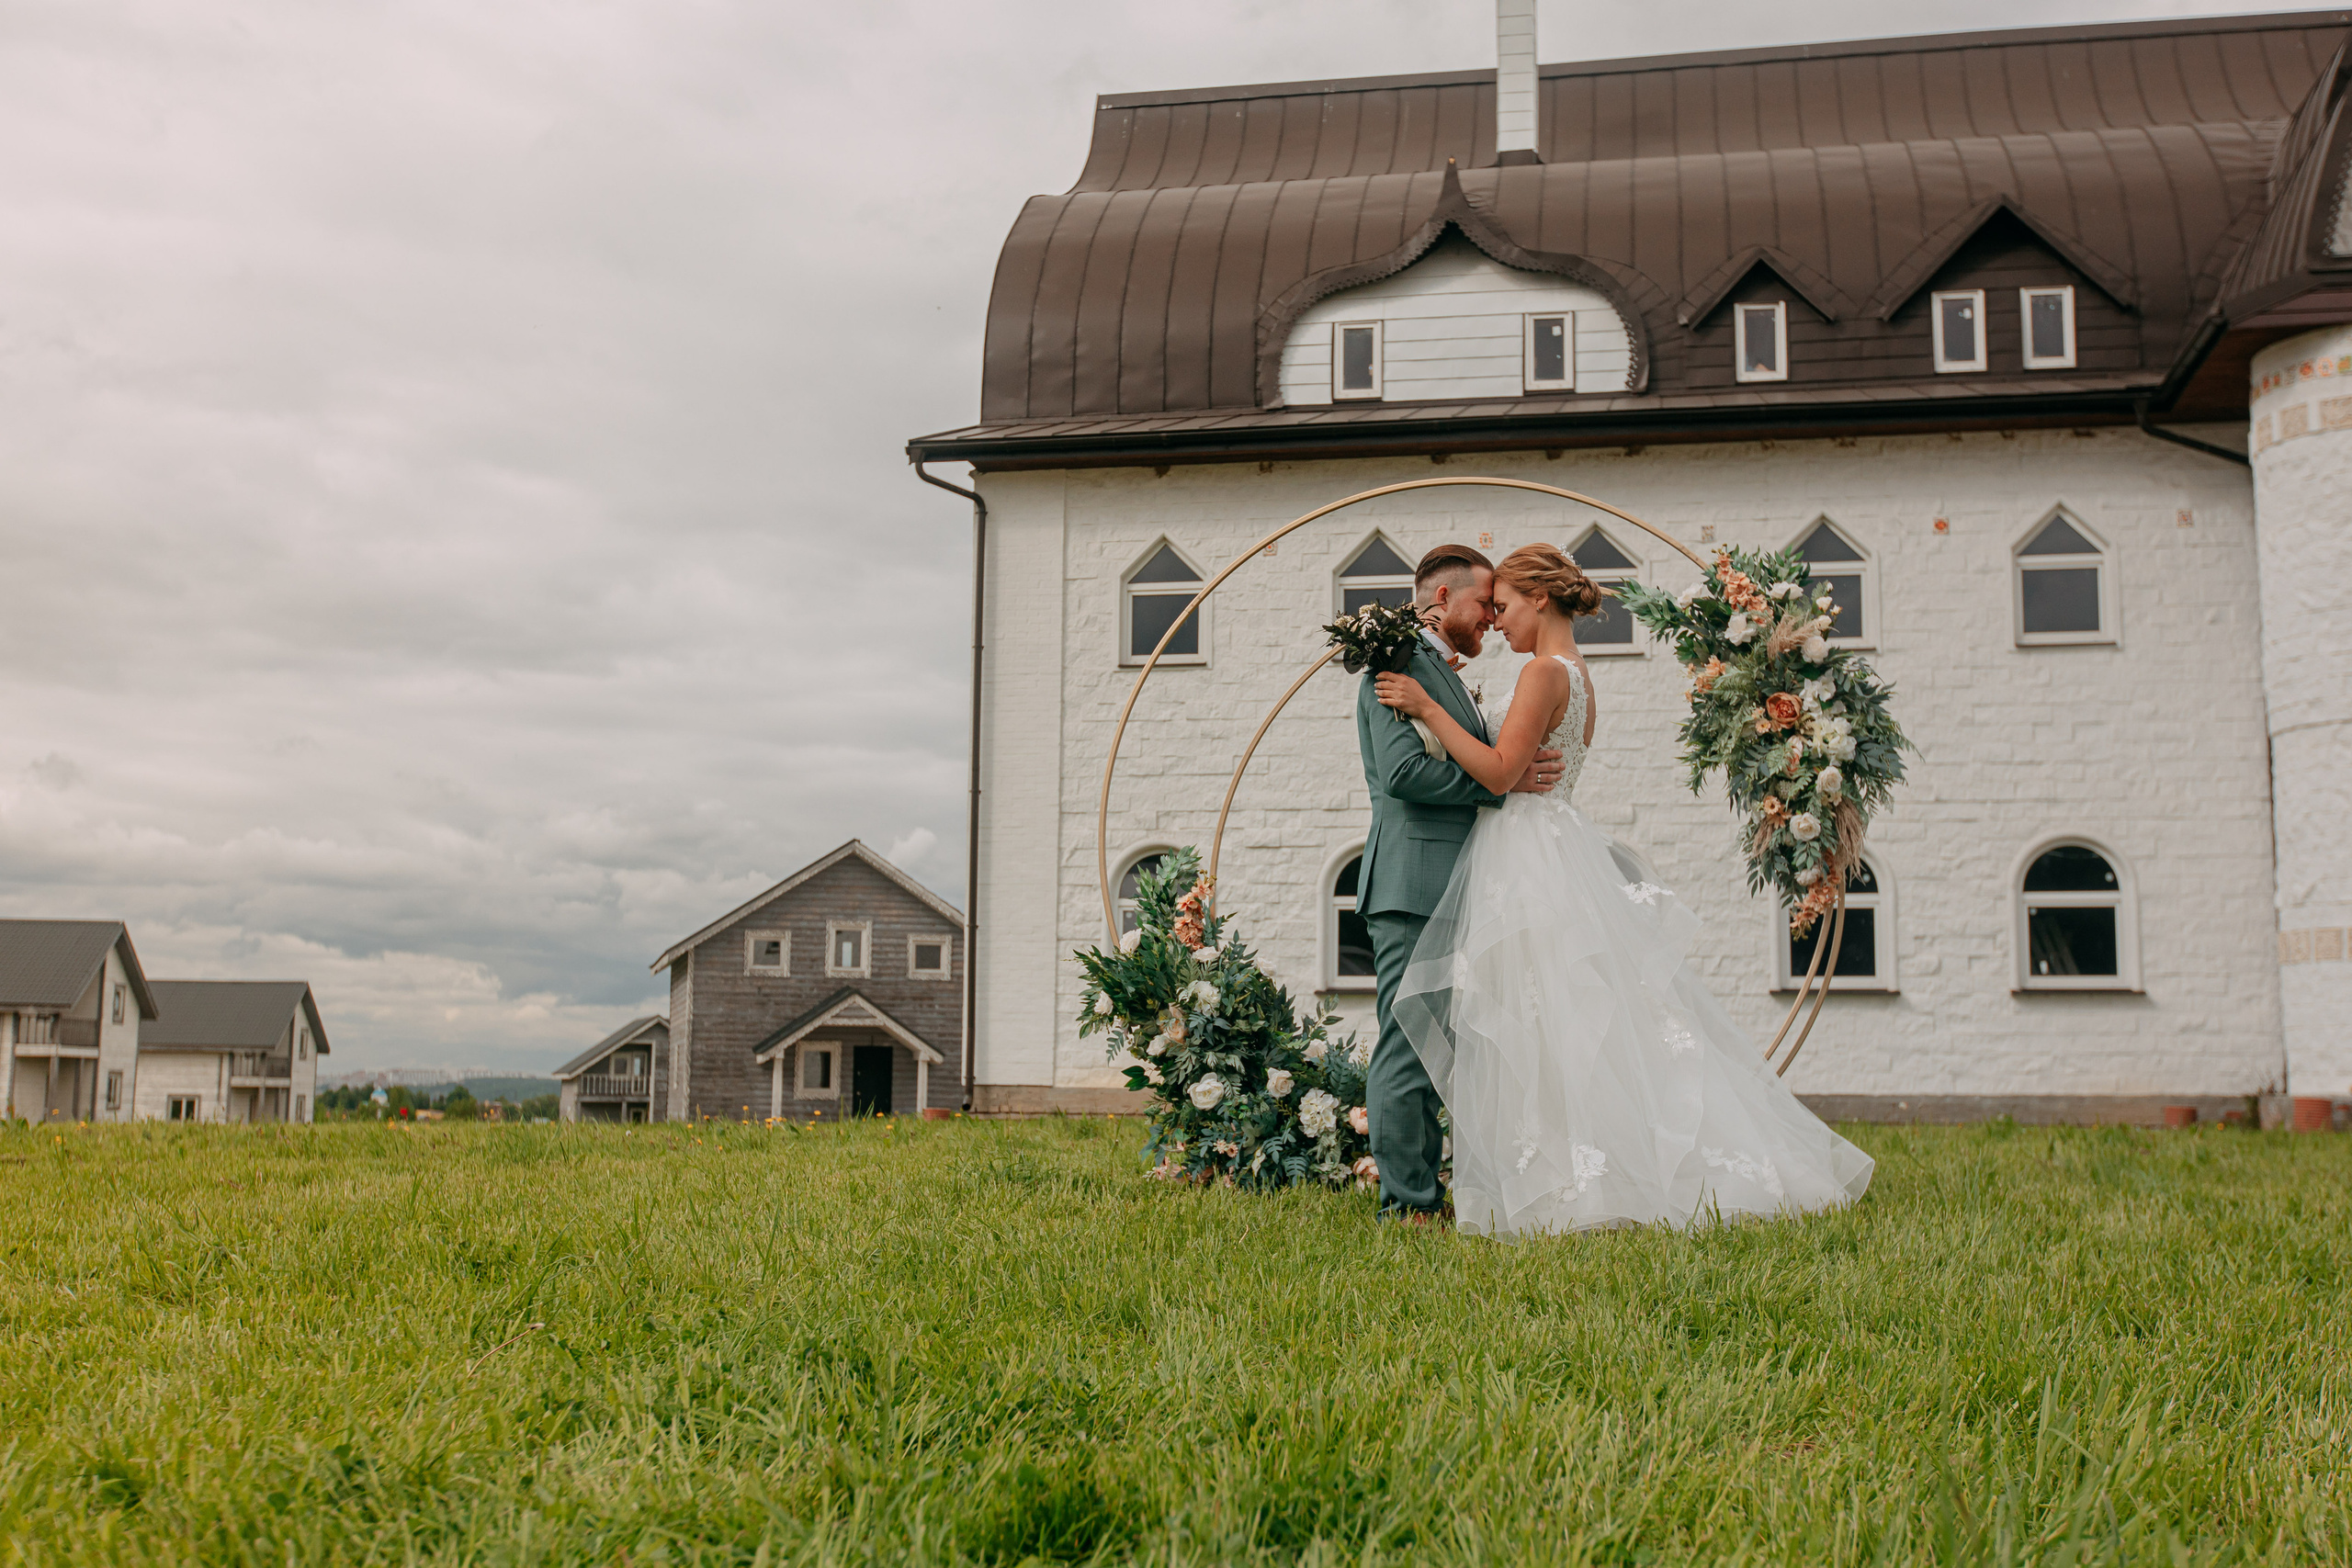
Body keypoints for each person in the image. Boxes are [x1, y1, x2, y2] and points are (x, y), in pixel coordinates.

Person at [1373, 542, 1874, 1236]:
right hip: (1547, 851)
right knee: (1558, 1026)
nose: (1498, 620)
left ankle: (1560, 1183)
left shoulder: (1543, 673)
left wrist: (1429, 706)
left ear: (1538, 599)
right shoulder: (1578, 674)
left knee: (1539, 1024)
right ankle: (1562, 1174)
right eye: (1489, 606)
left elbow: (1496, 772)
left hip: (1525, 859)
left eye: (1506, 605)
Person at [1354, 544, 1564, 1224]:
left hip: (1447, 881)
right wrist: (1499, 790)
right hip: (1412, 881)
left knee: (1437, 1035)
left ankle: (1425, 1193)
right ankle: (1406, 1204)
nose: (1489, 622)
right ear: (1441, 601)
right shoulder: (1398, 660)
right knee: (1409, 1038)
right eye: (1482, 605)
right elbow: (1403, 774)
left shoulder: (1436, 669)